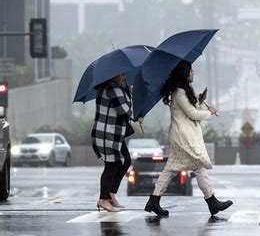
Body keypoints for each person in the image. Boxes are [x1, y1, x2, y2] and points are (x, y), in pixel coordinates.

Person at [144, 60, 233, 217]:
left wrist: (198, 99)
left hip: (183, 136)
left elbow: (190, 110)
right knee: (198, 166)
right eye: (191, 71)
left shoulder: (183, 92)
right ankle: (212, 201)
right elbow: (192, 114)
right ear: (184, 74)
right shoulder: (179, 93)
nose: (193, 73)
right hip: (184, 137)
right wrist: (210, 112)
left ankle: (154, 200)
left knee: (173, 169)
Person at [91, 73, 140, 212]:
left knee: (125, 161)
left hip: (114, 133)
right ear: (113, 75)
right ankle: (103, 199)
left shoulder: (111, 88)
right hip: (108, 132)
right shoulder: (112, 88)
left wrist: (128, 93)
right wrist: (134, 105)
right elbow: (125, 111)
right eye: (122, 75)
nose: (124, 77)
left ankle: (110, 194)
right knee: (112, 164)